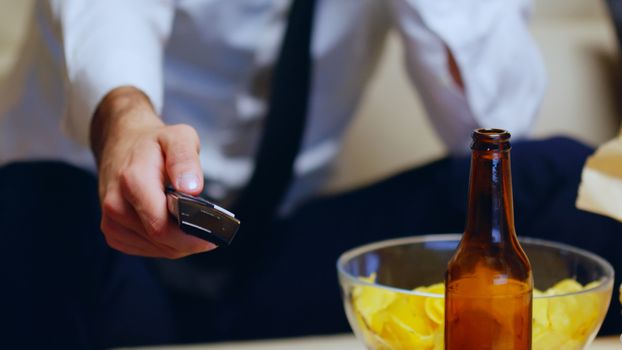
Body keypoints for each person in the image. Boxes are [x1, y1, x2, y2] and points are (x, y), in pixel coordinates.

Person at [1, 0, 620, 349]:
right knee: (32, 208)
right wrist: (124, 117)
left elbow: (498, 130)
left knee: (561, 178)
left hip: (272, 255)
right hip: (99, 241)